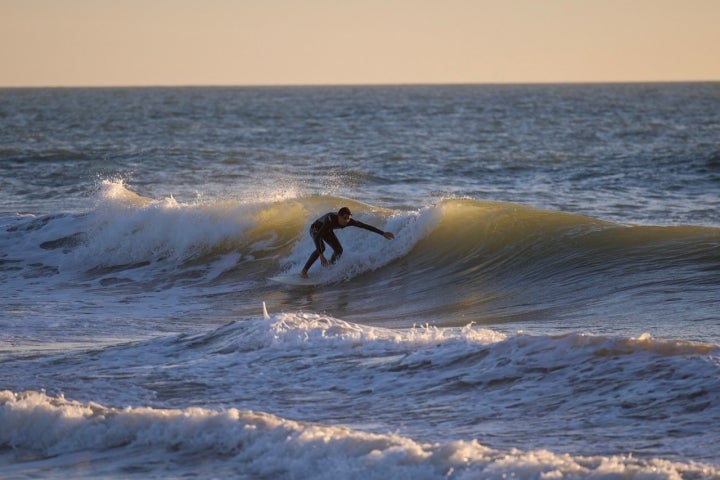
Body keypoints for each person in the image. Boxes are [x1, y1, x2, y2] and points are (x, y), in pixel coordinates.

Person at [300, 207, 394, 278]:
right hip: (316, 229)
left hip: (327, 231)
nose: (346, 221)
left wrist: (383, 233)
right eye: (344, 218)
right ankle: (304, 271)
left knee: (339, 250)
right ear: (339, 216)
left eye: (348, 218)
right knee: (322, 248)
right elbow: (317, 237)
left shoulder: (349, 221)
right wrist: (320, 254)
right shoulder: (330, 219)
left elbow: (365, 226)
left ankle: (330, 267)